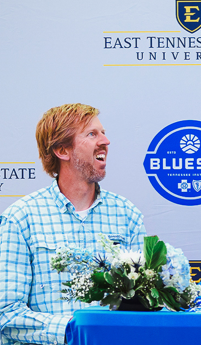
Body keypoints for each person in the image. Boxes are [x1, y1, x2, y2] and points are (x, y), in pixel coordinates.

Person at [0, 104, 145, 345]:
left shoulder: (128, 214)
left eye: (103, 132)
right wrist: (73, 330)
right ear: (62, 150)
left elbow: (140, 303)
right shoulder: (21, 217)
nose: (106, 141)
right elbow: (6, 314)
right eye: (92, 134)